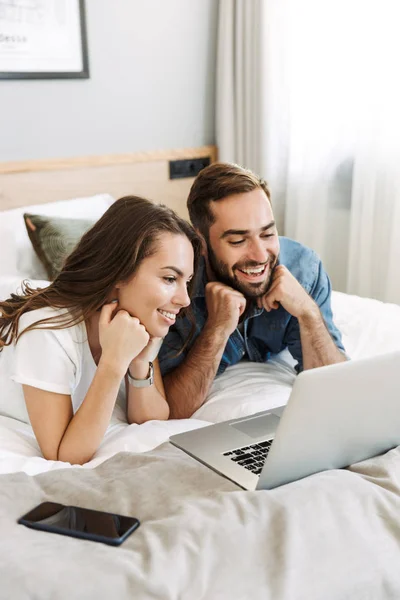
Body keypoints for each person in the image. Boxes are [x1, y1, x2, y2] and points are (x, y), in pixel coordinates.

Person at [0, 196, 201, 465]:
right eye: (169, 279)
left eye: (185, 281)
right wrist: (113, 364)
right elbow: (64, 455)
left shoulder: (137, 318)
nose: (184, 299)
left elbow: (150, 420)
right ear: (120, 271)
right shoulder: (47, 331)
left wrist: (140, 361)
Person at [159, 162, 347, 419]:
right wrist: (217, 328)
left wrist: (307, 314)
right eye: (238, 240)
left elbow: (339, 388)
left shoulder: (304, 269)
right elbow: (172, 408)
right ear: (199, 243)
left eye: (268, 234)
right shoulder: (175, 288)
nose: (260, 255)